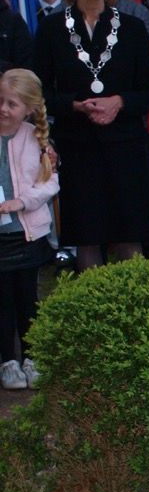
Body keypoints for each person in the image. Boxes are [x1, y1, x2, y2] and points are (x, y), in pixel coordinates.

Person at [32, 0, 149, 271]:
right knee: (88, 235)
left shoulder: (131, 28)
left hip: (125, 144)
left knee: (129, 234)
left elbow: (148, 92)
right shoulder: (49, 29)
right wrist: (75, 106)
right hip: (78, 146)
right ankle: (95, 310)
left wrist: (118, 101)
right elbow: (39, 93)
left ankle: (135, 308)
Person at [0, 68, 58, 390]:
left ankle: (31, 357)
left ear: (30, 109)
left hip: (26, 234)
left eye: (13, 104)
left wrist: (20, 202)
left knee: (28, 298)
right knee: (3, 300)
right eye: (1, 101)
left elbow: (50, 185)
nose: (4, 109)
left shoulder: (36, 139)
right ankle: (8, 361)